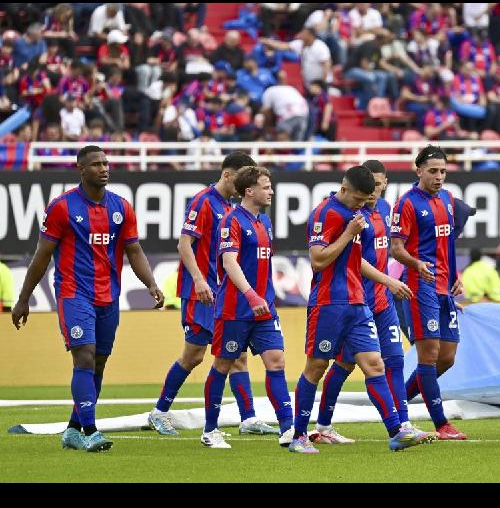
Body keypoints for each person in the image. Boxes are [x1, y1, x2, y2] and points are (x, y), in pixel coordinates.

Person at [11, 145, 165, 452]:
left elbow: (133, 250)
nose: (104, 168)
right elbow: (42, 256)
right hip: (73, 293)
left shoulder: (121, 207)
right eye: (96, 164)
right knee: (83, 355)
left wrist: (151, 283)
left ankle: (72, 429)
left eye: (106, 163)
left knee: (98, 363)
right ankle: (92, 431)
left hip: (109, 295)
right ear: (81, 169)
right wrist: (23, 298)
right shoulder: (61, 208)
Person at [290, 166, 434, 453]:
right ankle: (299, 436)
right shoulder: (326, 213)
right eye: (359, 199)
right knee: (316, 367)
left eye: (367, 199)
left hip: (358, 303)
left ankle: (397, 432)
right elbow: (318, 260)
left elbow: (358, 261)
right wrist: (348, 233)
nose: (363, 205)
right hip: (329, 303)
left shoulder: (360, 215)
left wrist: (386, 280)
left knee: (375, 364)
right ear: (343, 190)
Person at [148, 152, 279, 437]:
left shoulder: (232, 208)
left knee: (238, 356)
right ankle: (159, 411)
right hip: (201, 291)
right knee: (194, 355)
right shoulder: (203, 201)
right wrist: (198, 279)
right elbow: (184, 244)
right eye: (243, 176)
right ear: (228, 175)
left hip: (223, 293)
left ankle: (248, 418)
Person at [199, 167, 294, 449]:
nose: (271, 191)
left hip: (264, 309)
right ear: (249, 191)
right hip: (235, 309)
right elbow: (229, 262)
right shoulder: (231, 221)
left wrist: (264, 297)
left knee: (276, 361)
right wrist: (251, 295)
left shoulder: (264, 222)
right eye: (266, 186)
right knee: (223, 364)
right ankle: (210, 430)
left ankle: (288, 429)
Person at [390, 145, 468, 440]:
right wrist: (416, 263)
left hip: (444, 286)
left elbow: (448, 244)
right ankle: (441, 424)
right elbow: (397, 248)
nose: (439, 177)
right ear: (418, 170)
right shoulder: (406, 204)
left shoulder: (447, 199)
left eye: (443, 171)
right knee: (429, 355)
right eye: (433, 171)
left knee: (447, 357)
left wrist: (456, 274)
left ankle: (399, 404)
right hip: (420, 286)